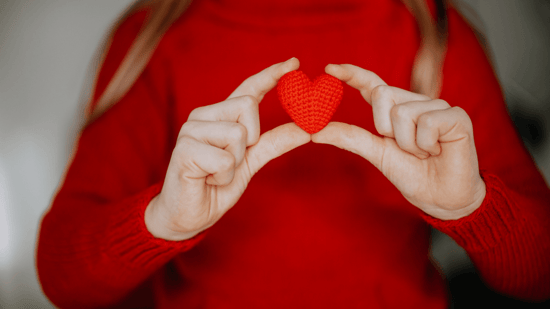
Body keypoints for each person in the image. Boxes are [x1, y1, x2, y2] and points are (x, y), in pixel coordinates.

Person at [36, 0, 550, 308]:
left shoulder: (436, 33)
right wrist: (160, 221)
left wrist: (474, 207)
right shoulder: (151, 40)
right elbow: (62, 278)